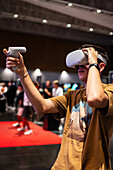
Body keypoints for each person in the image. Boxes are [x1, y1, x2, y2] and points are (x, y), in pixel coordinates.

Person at [4, 44, 113, 169]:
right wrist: (22, 72)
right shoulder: (73, 95)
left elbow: (95, 98)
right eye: (78, 63)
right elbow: (42, 106)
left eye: (85, 62)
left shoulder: (109, 92)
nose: (79, 67)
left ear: (101, 66)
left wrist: (93, 62)